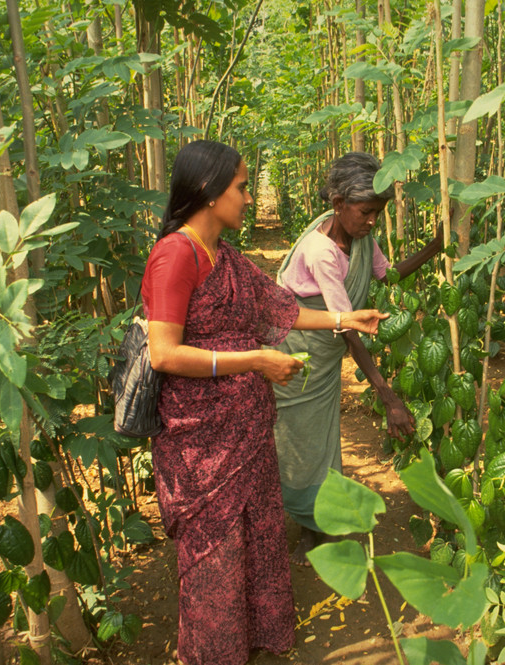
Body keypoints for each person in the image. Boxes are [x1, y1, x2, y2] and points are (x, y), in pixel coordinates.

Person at [140, 140, 387, 665]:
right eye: (242, 187)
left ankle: (256, 638)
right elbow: (164, 353)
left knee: (256, 538)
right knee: (216, 555)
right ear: (208, 192)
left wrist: (346, 318)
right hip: (201, 444)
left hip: (247, 433)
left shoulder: (226, 256)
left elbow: (283, 310)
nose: (250, 198)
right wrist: (255, 360)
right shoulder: (174, 255)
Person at [272, 152, 443, 563]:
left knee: (323, 442)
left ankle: (318, 523)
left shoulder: (360, 238)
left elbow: (388, 274)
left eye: (377, 213)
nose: (371, 221)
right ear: (338, 204)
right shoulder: (322, 251)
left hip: (324, 357)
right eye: (366, 212)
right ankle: (309, 528)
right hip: (299, 359)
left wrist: (436, 247)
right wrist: (388, 395)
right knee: (301, 442)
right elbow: (346, 326)